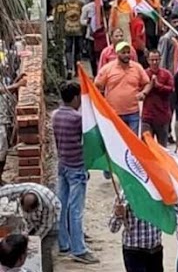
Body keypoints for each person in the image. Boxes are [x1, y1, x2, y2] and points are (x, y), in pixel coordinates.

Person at [53, 81, 98, 264]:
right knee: (76, 209)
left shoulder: (55, 115)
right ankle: (79, 249)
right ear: (75, 98)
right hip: (76, 167)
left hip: (62, 164)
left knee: (62, 206)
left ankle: (64, 243)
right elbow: (89, 139)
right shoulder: (77, 119)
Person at [0, 183, 61, 272]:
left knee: (44, 250)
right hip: (33, 220)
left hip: (51, 222)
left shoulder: (50, 206)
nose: (26, 213)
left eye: (28, 211)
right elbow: (5, 190)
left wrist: (32, 240)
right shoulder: (22, 189)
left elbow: (45, 226)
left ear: (35, 208)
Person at [94, 41, 151, 135]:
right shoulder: (108, 68)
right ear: (117, 54)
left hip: (133, 113)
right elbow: (97, 85)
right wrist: (102, 101)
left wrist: (144, 93)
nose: (126, 55)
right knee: (117, 143)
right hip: (114, 113)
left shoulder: (137, 67)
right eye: (123, 53)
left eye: (128, 52)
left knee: (133, 143)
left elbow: (147, 83)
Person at [109, 192, 163, 272]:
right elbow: (113, 228)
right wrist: (118, 214)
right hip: (134, 251)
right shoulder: (125, 195)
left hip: (156, 249)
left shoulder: (157, 192)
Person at [141, 50, 175, 146]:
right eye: (152, 60)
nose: (154, 62)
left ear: (160, 59)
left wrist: (158, 86)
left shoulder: (167, 74)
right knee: (146, 144)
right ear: (148, 60)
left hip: (162, 116)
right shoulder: (143, 74)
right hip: (147, 116)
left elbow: (171, 89)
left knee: (162, 146)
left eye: (156, 59)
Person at [54, 0, 84, 77]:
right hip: (79, 29)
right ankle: (78, 69)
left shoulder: (65, 3)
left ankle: (69, 69)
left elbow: (58, 13)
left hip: (68, 29)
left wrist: (57, 23)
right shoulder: (81, 3)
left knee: (68, 50)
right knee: (78, 50)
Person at [0, 73, 26, 184]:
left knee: (3, 151)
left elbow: (4, 90)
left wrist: (16, 82)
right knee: (1, 152)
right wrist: (17, 85)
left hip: (2, 119)